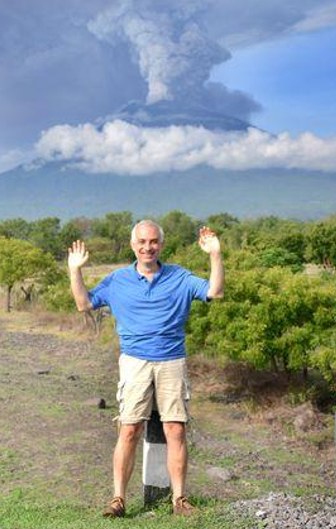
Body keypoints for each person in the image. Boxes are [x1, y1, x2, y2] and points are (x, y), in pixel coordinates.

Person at [67, 220, 224, 518]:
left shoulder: (180, 277)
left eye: (153, 241)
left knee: (175, 428)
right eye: (141, 241)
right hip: (134, 362)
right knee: (129, 429)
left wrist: (215, 254)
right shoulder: (118, 280)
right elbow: (83, 303)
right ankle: (118, 500)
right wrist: (75, 269)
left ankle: (179, 500)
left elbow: (214, 292)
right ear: (132, 245)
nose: (147, 247)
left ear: (161, 245)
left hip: (172, 361)